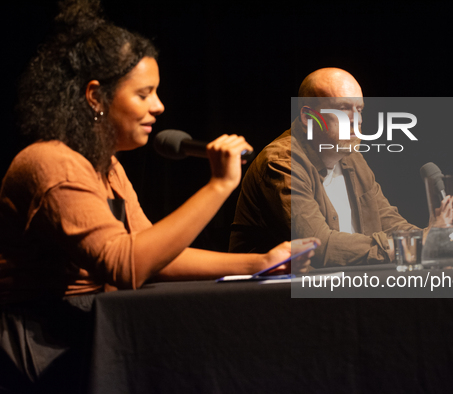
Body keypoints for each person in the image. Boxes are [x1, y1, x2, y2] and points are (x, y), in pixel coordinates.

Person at [0, 0, 317, 389]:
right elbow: (126, 265)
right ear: (95, 97)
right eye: (144, 93)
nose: (159, 106)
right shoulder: (51, 164)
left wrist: (258, 263)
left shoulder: (108, 166)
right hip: (42, 344)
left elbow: (154, 255)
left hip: (90, 325)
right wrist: (218, 186)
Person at [229, 67, 453, 267]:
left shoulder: (352, 157)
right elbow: (320, 248)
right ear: (309, 117)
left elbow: (389, 222)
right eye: (343, 109)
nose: (356, 120)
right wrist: (423, 241)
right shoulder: (282, 163)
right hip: (275, 301)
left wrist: (439, 233)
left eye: (359, 109)